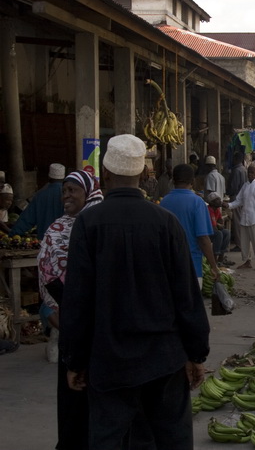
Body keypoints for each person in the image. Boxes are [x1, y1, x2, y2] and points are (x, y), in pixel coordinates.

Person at [60, 134, 210, 450]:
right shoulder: (165, 223)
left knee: (108, 438)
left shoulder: (88, 224)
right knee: (170, 437)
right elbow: (187, 297)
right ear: (143, 174)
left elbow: (77, 300)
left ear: (105, 174)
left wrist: (75, 359)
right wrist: (196, 353)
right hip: (164, 358)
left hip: (108, 359)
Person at [37, 170, 103, 450]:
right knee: (72, 390)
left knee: (96, 388)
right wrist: (49, 307)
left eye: (73, 190)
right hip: (68, 319)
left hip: (99, 321)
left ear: (88, 192)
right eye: (64, 191)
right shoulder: (58, 227)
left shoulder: (100, 224)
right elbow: (47, 273)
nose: (67, 196)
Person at [160, 164, 221, 285]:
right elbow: (203, 238)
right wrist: (214, 266)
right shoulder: (197, 202)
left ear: (173, 180)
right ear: (192, 181)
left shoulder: (164, 202)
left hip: (167, 268)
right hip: (191, 267)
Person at [228, 164, 255, 269]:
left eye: (252, 172)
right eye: (249, 172)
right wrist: (228, 205)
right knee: (244, 242)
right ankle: (247, 261)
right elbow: (239, 201)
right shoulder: (245, 185)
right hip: (245, 218)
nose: (250, 174)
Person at [11, 163, 65, 240]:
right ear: (64, 178)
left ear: (49, 177)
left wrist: (13, 234)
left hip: (45, 242)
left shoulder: (40, 195)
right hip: (63, 240)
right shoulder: (68, 194)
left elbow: (27, 219)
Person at [206, 192, 233, 266]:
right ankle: (214, 259)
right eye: (217, 200)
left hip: (213, 229)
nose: (220, 201)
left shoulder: (217, 209)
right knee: (219, 234)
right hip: (206, 231)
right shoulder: (209, 209)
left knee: (227, 232)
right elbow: (214, 226)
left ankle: (220, 258)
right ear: (211, 202)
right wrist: (218, 225)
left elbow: (220, 222)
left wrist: (219, 224)